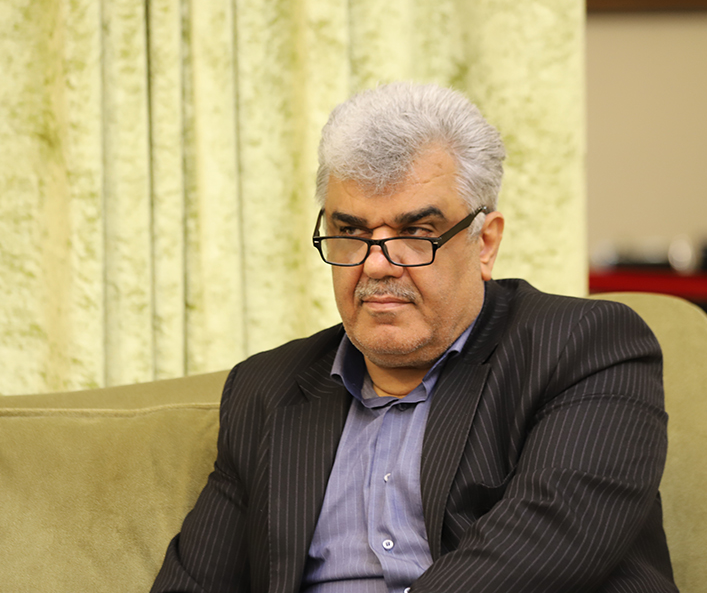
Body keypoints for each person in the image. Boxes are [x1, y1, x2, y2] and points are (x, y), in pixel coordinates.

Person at [151, 82, 677, 592]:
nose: (377, 264)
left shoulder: (585, 347)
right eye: (351, 232)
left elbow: (547, 542)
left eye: (416, 233)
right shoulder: (266, 390)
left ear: (485, 244)